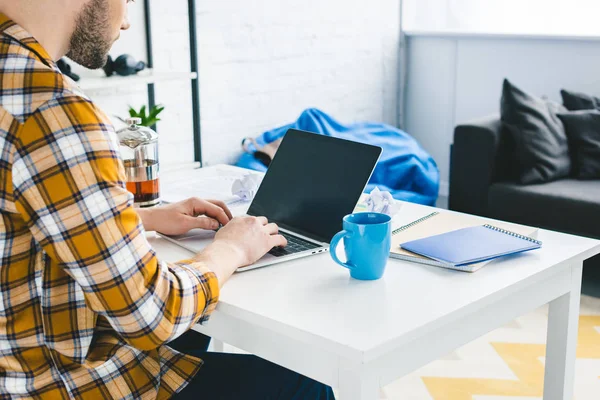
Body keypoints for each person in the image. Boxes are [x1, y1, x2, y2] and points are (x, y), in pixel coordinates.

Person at [0, 0, 335, 399]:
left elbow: (20, 221)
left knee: (192, 334)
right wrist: (230, 249)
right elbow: (150, 315)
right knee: (305, 386)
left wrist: (146, 217)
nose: (126, 21)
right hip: (56, 383)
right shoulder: (52, 111)